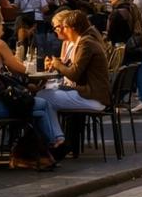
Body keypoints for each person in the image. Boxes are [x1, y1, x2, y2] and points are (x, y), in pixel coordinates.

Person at [41, 9, 110, 159]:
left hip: (93, 97)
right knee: (45, 97)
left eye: (64, 27)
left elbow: (74, 73)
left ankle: (58, 141)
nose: (62, 31)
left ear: (73, 28)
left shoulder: (86, 44)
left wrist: (57, 64)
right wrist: (59, 64)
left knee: (43, 97)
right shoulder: (86, 41)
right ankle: (59, 140)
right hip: (90, 93)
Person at [0, 10, 57, 158]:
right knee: (43, 104)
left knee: (39, 111)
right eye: (1, 24)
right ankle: (53, 147)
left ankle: (49, 147)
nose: (3, 27)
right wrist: (36, 69)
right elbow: (19, 68)